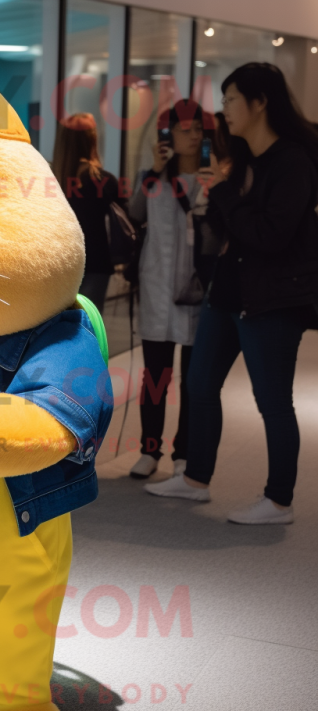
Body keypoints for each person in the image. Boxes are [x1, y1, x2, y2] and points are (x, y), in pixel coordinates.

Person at [146, 63, 318, 524]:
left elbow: (270, 235)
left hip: (273, 300)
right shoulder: (242, 159)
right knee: (200, 385)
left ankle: (279, 500)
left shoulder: (293, 161)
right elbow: (230, 232)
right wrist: (216, 196)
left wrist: (222, 194)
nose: (223, 112)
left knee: (273, 400)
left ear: (260, 102)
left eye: (231, 100)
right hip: (228, 292)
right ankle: (195, 479)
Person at [127, 100, 212, 478]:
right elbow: (134, 213)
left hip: (197, 292)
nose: (193, 136)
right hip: (157, 289)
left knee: (194, 379)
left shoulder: (215, 178)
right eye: (185, 129)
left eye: (198, 129)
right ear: (167, 135)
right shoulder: (153, 178)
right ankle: (150, 449)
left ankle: (185, 452)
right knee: (155, 377)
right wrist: (156, 169)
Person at [51, 112, 122, 313]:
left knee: (56, 327)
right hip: (96, 263)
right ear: (92, 140)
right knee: (88, 326)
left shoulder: (49, 181)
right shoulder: (104, 181)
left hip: (58, 264)